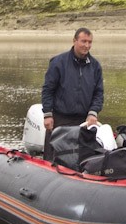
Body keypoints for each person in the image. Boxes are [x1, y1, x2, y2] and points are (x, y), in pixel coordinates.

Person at [41, 27, 104, 161]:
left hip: (83, 121)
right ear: (74, 41)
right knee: (51, 159)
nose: (87, 45)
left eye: (90, 42)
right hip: (60, 119)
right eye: (83, 41)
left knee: (80, 160)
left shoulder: (95, 66)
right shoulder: (58, 62)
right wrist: (47, 114)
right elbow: (48, 89)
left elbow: (99, 93)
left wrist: (93, 112)